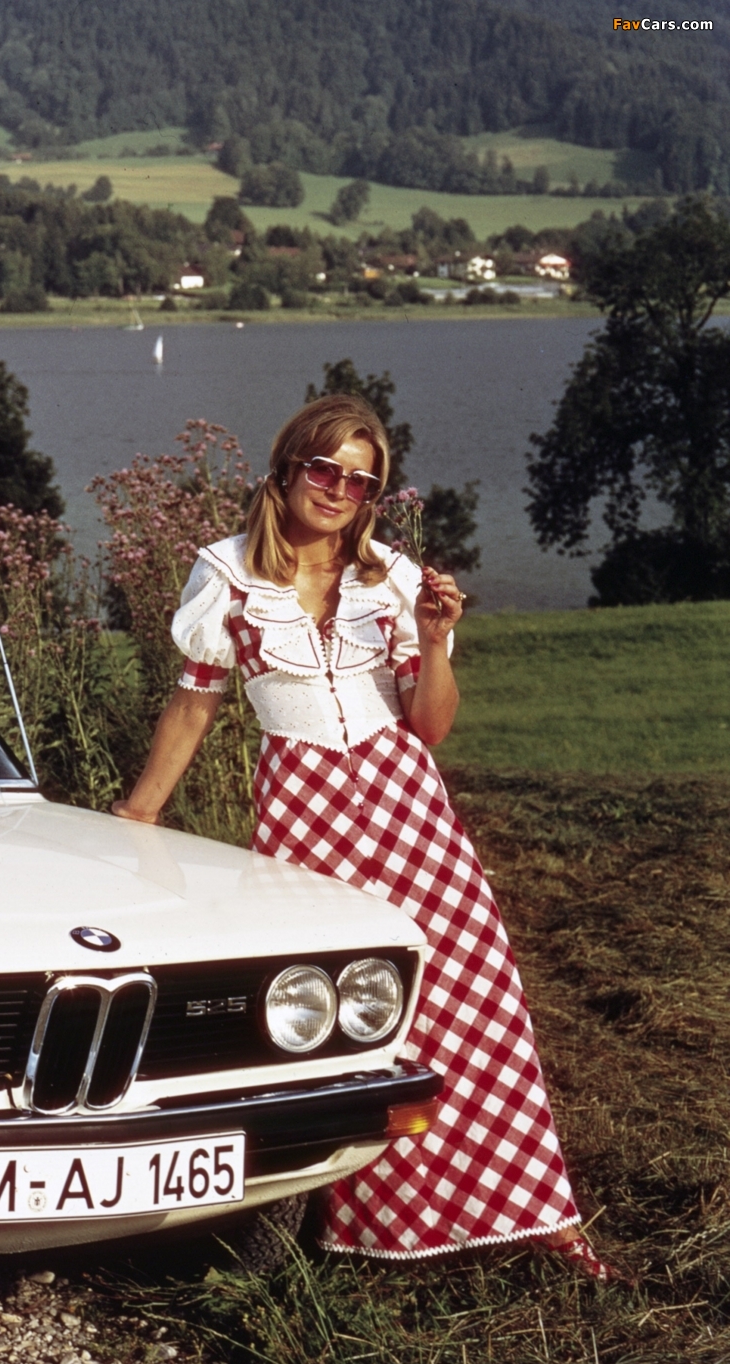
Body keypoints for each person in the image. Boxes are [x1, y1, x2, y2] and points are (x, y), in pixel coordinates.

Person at [110, 395, 617, 1281]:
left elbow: (432, 725)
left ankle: (537, 1215)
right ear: (287, 469)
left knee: (474, 998)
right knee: (340, 1009)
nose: (339, 491)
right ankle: (374, 1227)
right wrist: (138, 817)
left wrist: (436, 640)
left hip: (408, 804)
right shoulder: (225, 574)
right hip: (303, 809)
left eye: (360, 481)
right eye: (326, 470)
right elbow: (194, 706)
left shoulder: (391, 576)